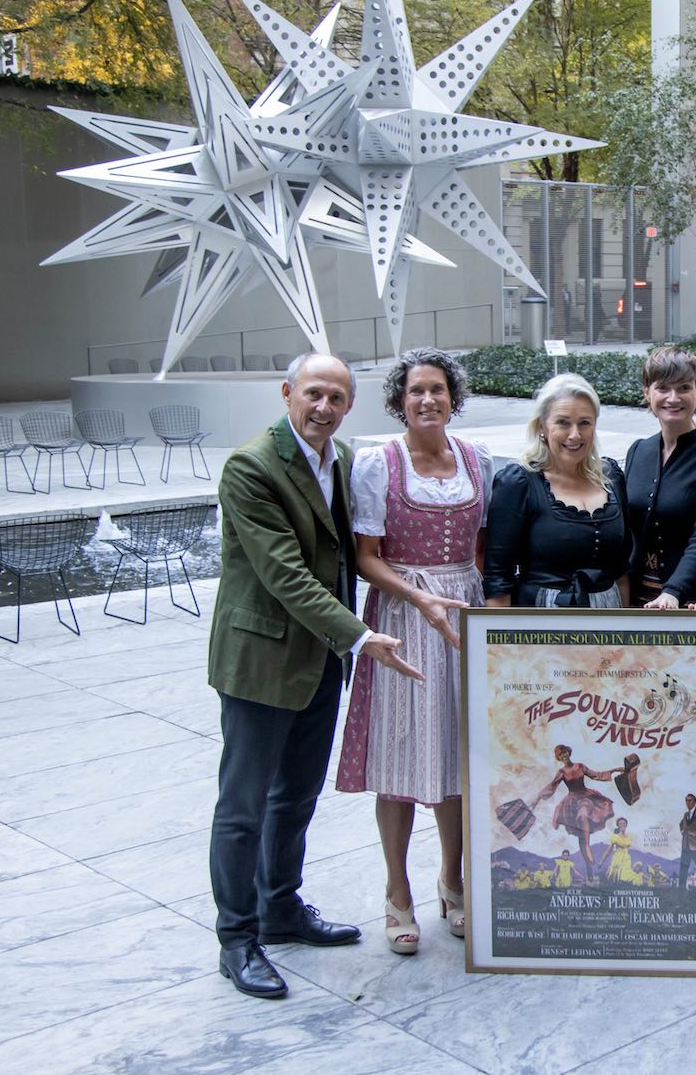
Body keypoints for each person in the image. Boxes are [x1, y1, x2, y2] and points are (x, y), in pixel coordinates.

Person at [207, 352, 421, 1000]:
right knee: (243, 806)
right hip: (263, 660)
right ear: (288, 393)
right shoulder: (251, 466)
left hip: (322, 659)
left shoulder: (344, 460)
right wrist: (360, 635)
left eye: (337, 398)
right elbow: (285, 574)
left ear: (349, 406)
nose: (324, 407)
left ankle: (280, 908)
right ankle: (237, 939)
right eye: (314, 394)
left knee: (296, 796)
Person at [334, 348, 482, 956]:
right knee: (398, 756)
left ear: (453, 398)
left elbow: (481, 547)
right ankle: (398, 891)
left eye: (438, 389)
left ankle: (453, 879)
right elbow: (365, 556)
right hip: (403, 615)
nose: (427, 399)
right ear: (400, 400)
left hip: (464, 612)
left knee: (459, 755)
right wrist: (418, 595)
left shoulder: (476, 459)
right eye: (416, 390)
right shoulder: (379, 462)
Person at [484, 373, 631, 608]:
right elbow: (498, 577)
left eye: (585, 422)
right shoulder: (519, 483)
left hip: (608, 613)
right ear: (542, 426)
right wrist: (501, 631)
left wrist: (625, 625)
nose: (575, 434)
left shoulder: (611, 476)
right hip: (542, 615)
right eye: (563, 422)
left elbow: (621, 570)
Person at [622, 346, 696, 608]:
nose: (673, 398)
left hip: (691, 602)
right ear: (647, 392)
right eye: (663, 388)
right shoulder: (638, 451)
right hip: (636, 601)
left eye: (684, 388)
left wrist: (674, 591)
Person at [530, 743, 624, 883]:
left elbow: (596, 775)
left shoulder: (580, 766)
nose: (564, 755)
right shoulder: (562, 772)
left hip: (586, 798)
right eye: (561, 755)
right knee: (581, 838)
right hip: (572, 803)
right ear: (559, 758)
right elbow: (551, 786)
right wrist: (537, 798)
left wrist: (614, 770)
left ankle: (587, 847)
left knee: (583, 815)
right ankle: (589, 871)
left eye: (565, 752)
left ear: (569, 752)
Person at [604, 817, 645, 885]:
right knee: (616, 875)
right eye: (620, 823)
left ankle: (634, 882)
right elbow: (609, 850)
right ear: (618, 825)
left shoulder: (629, 836)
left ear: (626, 825)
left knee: (625, 875)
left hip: (626, 858)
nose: (622, 825)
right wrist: (601, 862)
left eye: (624, 823)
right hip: (618, 857)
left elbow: (627, 846)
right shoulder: (615, 837)